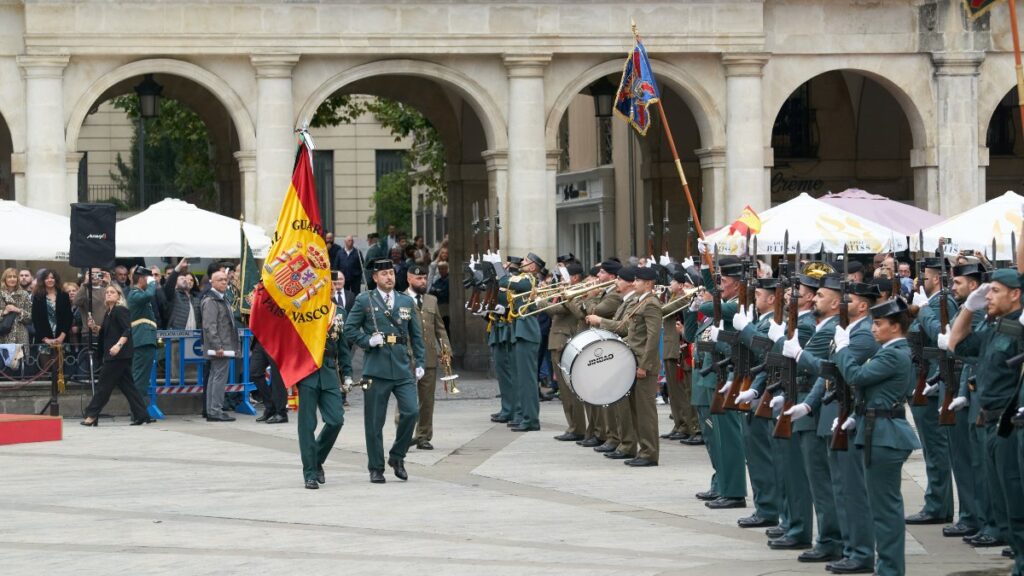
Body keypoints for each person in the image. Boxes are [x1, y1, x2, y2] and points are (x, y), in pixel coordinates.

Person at [831, 296, 920, 576]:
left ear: (895, 327)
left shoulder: (894, 353)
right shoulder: (890, 351)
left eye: (878, 324)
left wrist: (843, 349)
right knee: (883, 507)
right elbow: (875, 392)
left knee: (885, 510)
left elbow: (857, 376)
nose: (872, 329)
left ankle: (890, 570)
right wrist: (856, 416)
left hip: (885, 435)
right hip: (878, 430)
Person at [949, 268, 1024, 573]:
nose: (987, 296)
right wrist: (969, 308)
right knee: (1006, 503)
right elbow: (956, 343)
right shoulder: (996, 327)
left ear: (1015, 294)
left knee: (1017, 505)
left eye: (994, 291)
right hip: (992, 424)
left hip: (1012, 425)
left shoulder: (1019, 329)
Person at [344, 259, 425, 484]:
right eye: (384, 274)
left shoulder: (405, 301)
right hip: (376, 368)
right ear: (375, 278)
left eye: (391, 273)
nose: (389, 277)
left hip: (401, 366)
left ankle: (397, 456)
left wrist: (419, 361)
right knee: (374, 422)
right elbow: (349, 329)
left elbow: (416, 335)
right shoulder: (364, 300)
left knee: (411, 412)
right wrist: (367, 340)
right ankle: (376, 467)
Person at [586, 265, 663, 466]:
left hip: (643, 364)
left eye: (638, 280)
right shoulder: (640, 302)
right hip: (634, 360)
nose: (634, 283)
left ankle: (649, 453)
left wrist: (645, 366)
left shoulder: (651, 304)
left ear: (647, 283)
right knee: (636, 411)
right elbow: (625, 328)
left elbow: (653, 339)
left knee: (646, 413)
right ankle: (641, 450)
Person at [295, 289, 352, 490]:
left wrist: (347, 374)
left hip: (328, 370)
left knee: (336, 419)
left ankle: (316, 458)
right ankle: (310, 473)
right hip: (307, 369)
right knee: (307, 424)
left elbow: (344, 347)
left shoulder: (339, 312)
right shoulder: (303, 308)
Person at [81, 284, 151, 426]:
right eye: (107, 292)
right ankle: (142, 415)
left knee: (103, 386)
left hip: (117, 355)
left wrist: (118, 345)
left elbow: (127, 329)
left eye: (112, 292)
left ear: (119, 296)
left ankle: (92, 414)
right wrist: (94, 327)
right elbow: (108, 332)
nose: (108, 294)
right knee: (128, 387)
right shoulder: (109, 312)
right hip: (116, 355)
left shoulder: (120, 310)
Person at [405, 264, 450, 450]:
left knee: (427, 400)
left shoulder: (431, 300)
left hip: (429, 356)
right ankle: (404, 435)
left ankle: (423, 436)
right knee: (406, 400)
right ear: (409, 279)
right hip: (407, 358)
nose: (423, 281)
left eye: (424, 278)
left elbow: (440, 328)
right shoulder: (400, 299)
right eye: (418, 279)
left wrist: (446, 350)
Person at [547, 262, 586, 442]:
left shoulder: (575, 292)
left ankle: (577, 427)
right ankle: (573, 425)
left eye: (564, 277)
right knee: (564, 390)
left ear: (575, 278)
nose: (561, 281)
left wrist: (538, 301)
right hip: (557, 340)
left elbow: (556, 309)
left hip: (564, 341)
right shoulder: (568, 291)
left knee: (568, 388)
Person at [507, 253, 545, 432]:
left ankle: (531, 419)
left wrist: (498, 268)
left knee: (528, 380)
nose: (522, 262)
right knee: (522, 379)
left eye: (526, 261)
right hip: (522, 332)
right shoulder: (525, 279)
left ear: (533, 267)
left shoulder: (528, 280)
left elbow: (503, 282)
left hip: (527, 332)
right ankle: (524, 415)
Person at [201, 270, 239, 422]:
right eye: (220, 280)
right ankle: (215, 410)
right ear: (212, 282)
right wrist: (218, 346)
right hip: (220, 346)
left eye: (225, 279)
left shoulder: (221, 299)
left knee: (215, 377)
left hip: (223, 345)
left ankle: (212, 410)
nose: (224, 282)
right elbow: (210, 326)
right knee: (218, 378)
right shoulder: (211, 301)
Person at [31, 269, 73, 397]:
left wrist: (62, 336)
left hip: (61, 338)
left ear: (56, 280)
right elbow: (36, 319)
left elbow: (68, 317)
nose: (50, 280)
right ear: (43, 280)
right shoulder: (38, 296)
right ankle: (47, 397)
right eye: (47, 278)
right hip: (45, 340)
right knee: (46, 369)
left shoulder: (63, 295)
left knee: (59, 369)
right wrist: (45, 339)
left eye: (52, 277)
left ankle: (58, 397)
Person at [127, 267, 159, 406]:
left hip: (146, 339)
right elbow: (148, 295)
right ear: (141, 279)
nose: (151, 282)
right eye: (148, 278)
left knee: (143, 377)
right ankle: (138, 411)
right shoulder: (135, 294)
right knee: (140, 377)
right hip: (142, 340)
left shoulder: (139, 294)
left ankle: (140, 410)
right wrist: (152, 283)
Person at [0, 268, 33, 352]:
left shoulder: (24, 294)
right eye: (9, 277)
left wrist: (18, 310)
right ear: (5, 279)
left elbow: (30, 317)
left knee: (21, 362)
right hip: (2, 334)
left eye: (14, 277)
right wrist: (3, 312)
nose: (12, 279)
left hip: (20, 335)